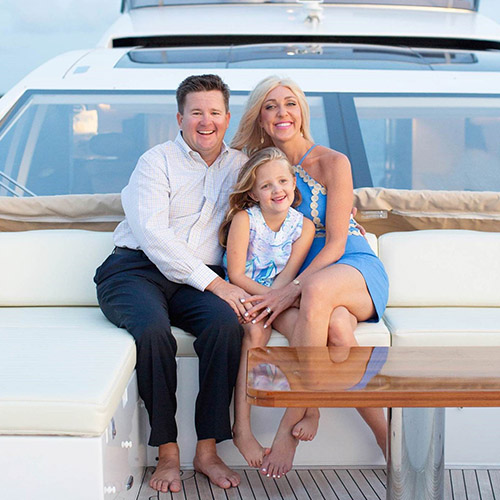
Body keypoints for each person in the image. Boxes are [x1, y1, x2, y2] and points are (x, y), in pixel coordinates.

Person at [94, 74, 251, 493]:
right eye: (196, 112)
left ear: (227, 118)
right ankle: (167, 451)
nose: (206, 121)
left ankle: (206, 450)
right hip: (136, 269)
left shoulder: (239, 167)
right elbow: (153, 235)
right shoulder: (155, 162)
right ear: (180, 119)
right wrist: (216, 285)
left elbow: (276, 206)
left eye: (214, 112)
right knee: (153, 332)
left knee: (226, 327)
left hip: (194, 281)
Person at [231, 75, 390, 479]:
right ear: (260, 118)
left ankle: (289, 423)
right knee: (337, 329)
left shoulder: (334, 162)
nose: (281, 113)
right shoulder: (258, 167)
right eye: (270, 106)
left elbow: (336, 243)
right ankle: (385, 437)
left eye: (290, 103)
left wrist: (288, 291)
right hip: (297, 271)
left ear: (302, 112)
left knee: (318, 292)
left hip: (349, 264)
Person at [219, 147, 315, 467]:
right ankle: (242, 429)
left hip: (278, 295)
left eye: (283, 181)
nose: (278, 190)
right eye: (267, 185)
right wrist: (265, 305)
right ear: (253, 192)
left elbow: (287, 278)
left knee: (307, 328)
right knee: (256, 335)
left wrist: (276, 301)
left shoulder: (304, 226)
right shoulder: (245, 220)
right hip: (246, 291)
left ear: (293, 184)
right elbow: (236, 274)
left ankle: (311, 406)